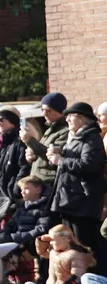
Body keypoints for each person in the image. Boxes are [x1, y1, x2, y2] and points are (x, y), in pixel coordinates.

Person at [49, 101, 106, 269]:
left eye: (70, 116)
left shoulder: (91, 137)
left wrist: (61, 160)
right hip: (71, 199)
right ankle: (76, 283)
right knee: (73, 243)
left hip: (82, 201)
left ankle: (93, 281)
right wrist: (60, 154)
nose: (67, 120)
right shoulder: (78, 136)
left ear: (82, 118)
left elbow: (90, 165)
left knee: (84, 244)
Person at [23, 224, 93, 284]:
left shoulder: (76, 254)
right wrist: (42, 239)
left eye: (53, 240)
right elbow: (41, 252)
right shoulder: (53, 252)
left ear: (65, 239)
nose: (50, 242)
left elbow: (77, 278)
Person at [23, 92, 68, 185]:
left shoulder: (65, 130)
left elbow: (52, 155)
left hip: (49, 182)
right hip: (39, 180)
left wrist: (30, 141)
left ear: (59, 111)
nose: (44, 114)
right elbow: (42, 153)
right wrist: (32, 156)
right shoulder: (50, 128)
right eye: (42, 109)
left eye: (48, 110)